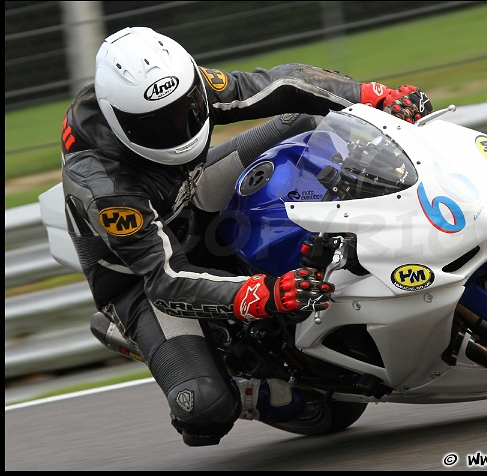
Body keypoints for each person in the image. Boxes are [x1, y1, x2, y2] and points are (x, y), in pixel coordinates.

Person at [60, 26, 433, 447]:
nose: (178, 128)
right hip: (138, 277)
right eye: (157, 125)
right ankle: (257, 394)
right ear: (119, 120)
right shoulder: (105, 186)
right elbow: (165, 280)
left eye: (185, 110)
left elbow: (279, 84)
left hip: (189, 195)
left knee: (304, 124)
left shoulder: (179, 82)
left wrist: (373, 97)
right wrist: (266, 294)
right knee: (204, 410)